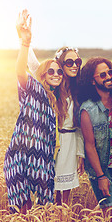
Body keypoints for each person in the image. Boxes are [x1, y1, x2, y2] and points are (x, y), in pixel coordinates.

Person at [4, 10, 66, 214]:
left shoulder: (58, 100)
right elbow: (21, 71)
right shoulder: (33, 89)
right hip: (20, 156)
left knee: (42, 211)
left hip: (44, 159)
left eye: (59, 72)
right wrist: (24, 42)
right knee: (22, 209)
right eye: (51, 71)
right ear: (43, 75)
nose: (56, 74)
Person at [28, 45, 85, 206]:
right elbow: (35, 67)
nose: (74, 65)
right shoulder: (51, 85)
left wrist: (80, 153)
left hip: (70, 143)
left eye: (77, 61)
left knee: (64, 196)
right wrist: (24, 42)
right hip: (50, 144)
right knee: (46, 191)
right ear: (60, 63)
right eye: (69, 62)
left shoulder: (78, 88)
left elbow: (79, 126)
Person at [78, 57, 112, 218]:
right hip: (100, 167)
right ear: (92, 81)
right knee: (111, 210)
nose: (109, 77)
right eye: (102, 75)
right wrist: (100, 176)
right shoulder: (87, 109)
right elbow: (89, 145)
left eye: (110, 72)